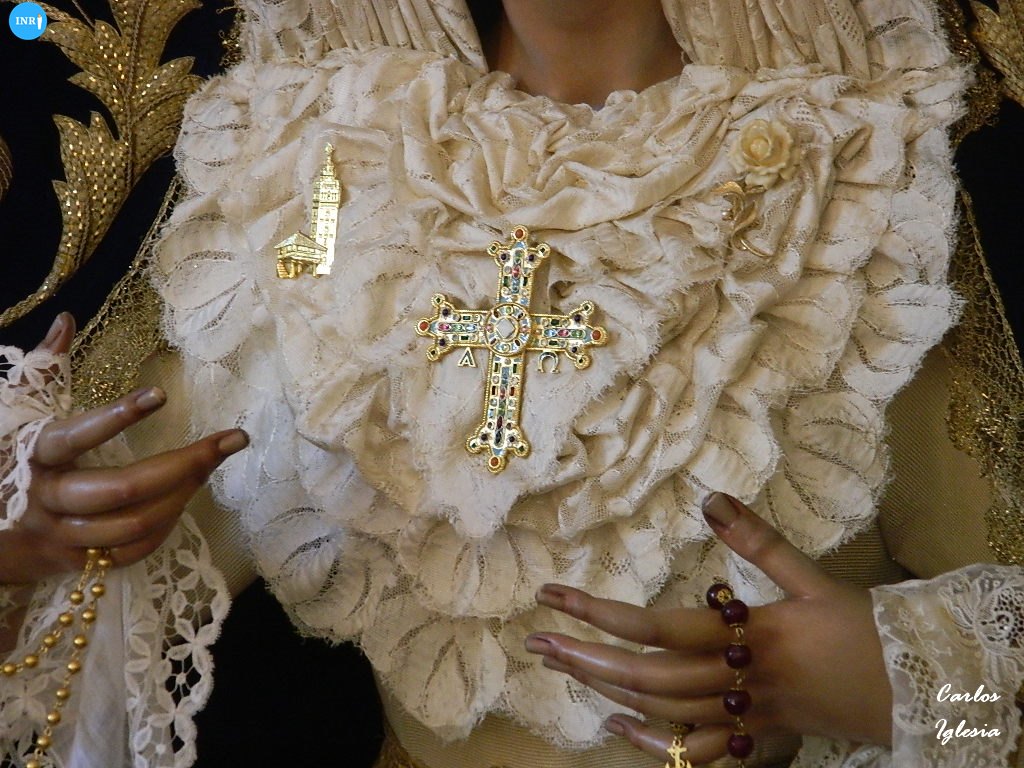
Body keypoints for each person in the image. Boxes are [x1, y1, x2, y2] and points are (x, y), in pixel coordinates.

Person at [1, 1, 1023, 767]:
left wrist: (907, 682)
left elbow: (994, 671)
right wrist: (29, 541)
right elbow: (79, 598)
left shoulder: (861, 177)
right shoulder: (320, 162)